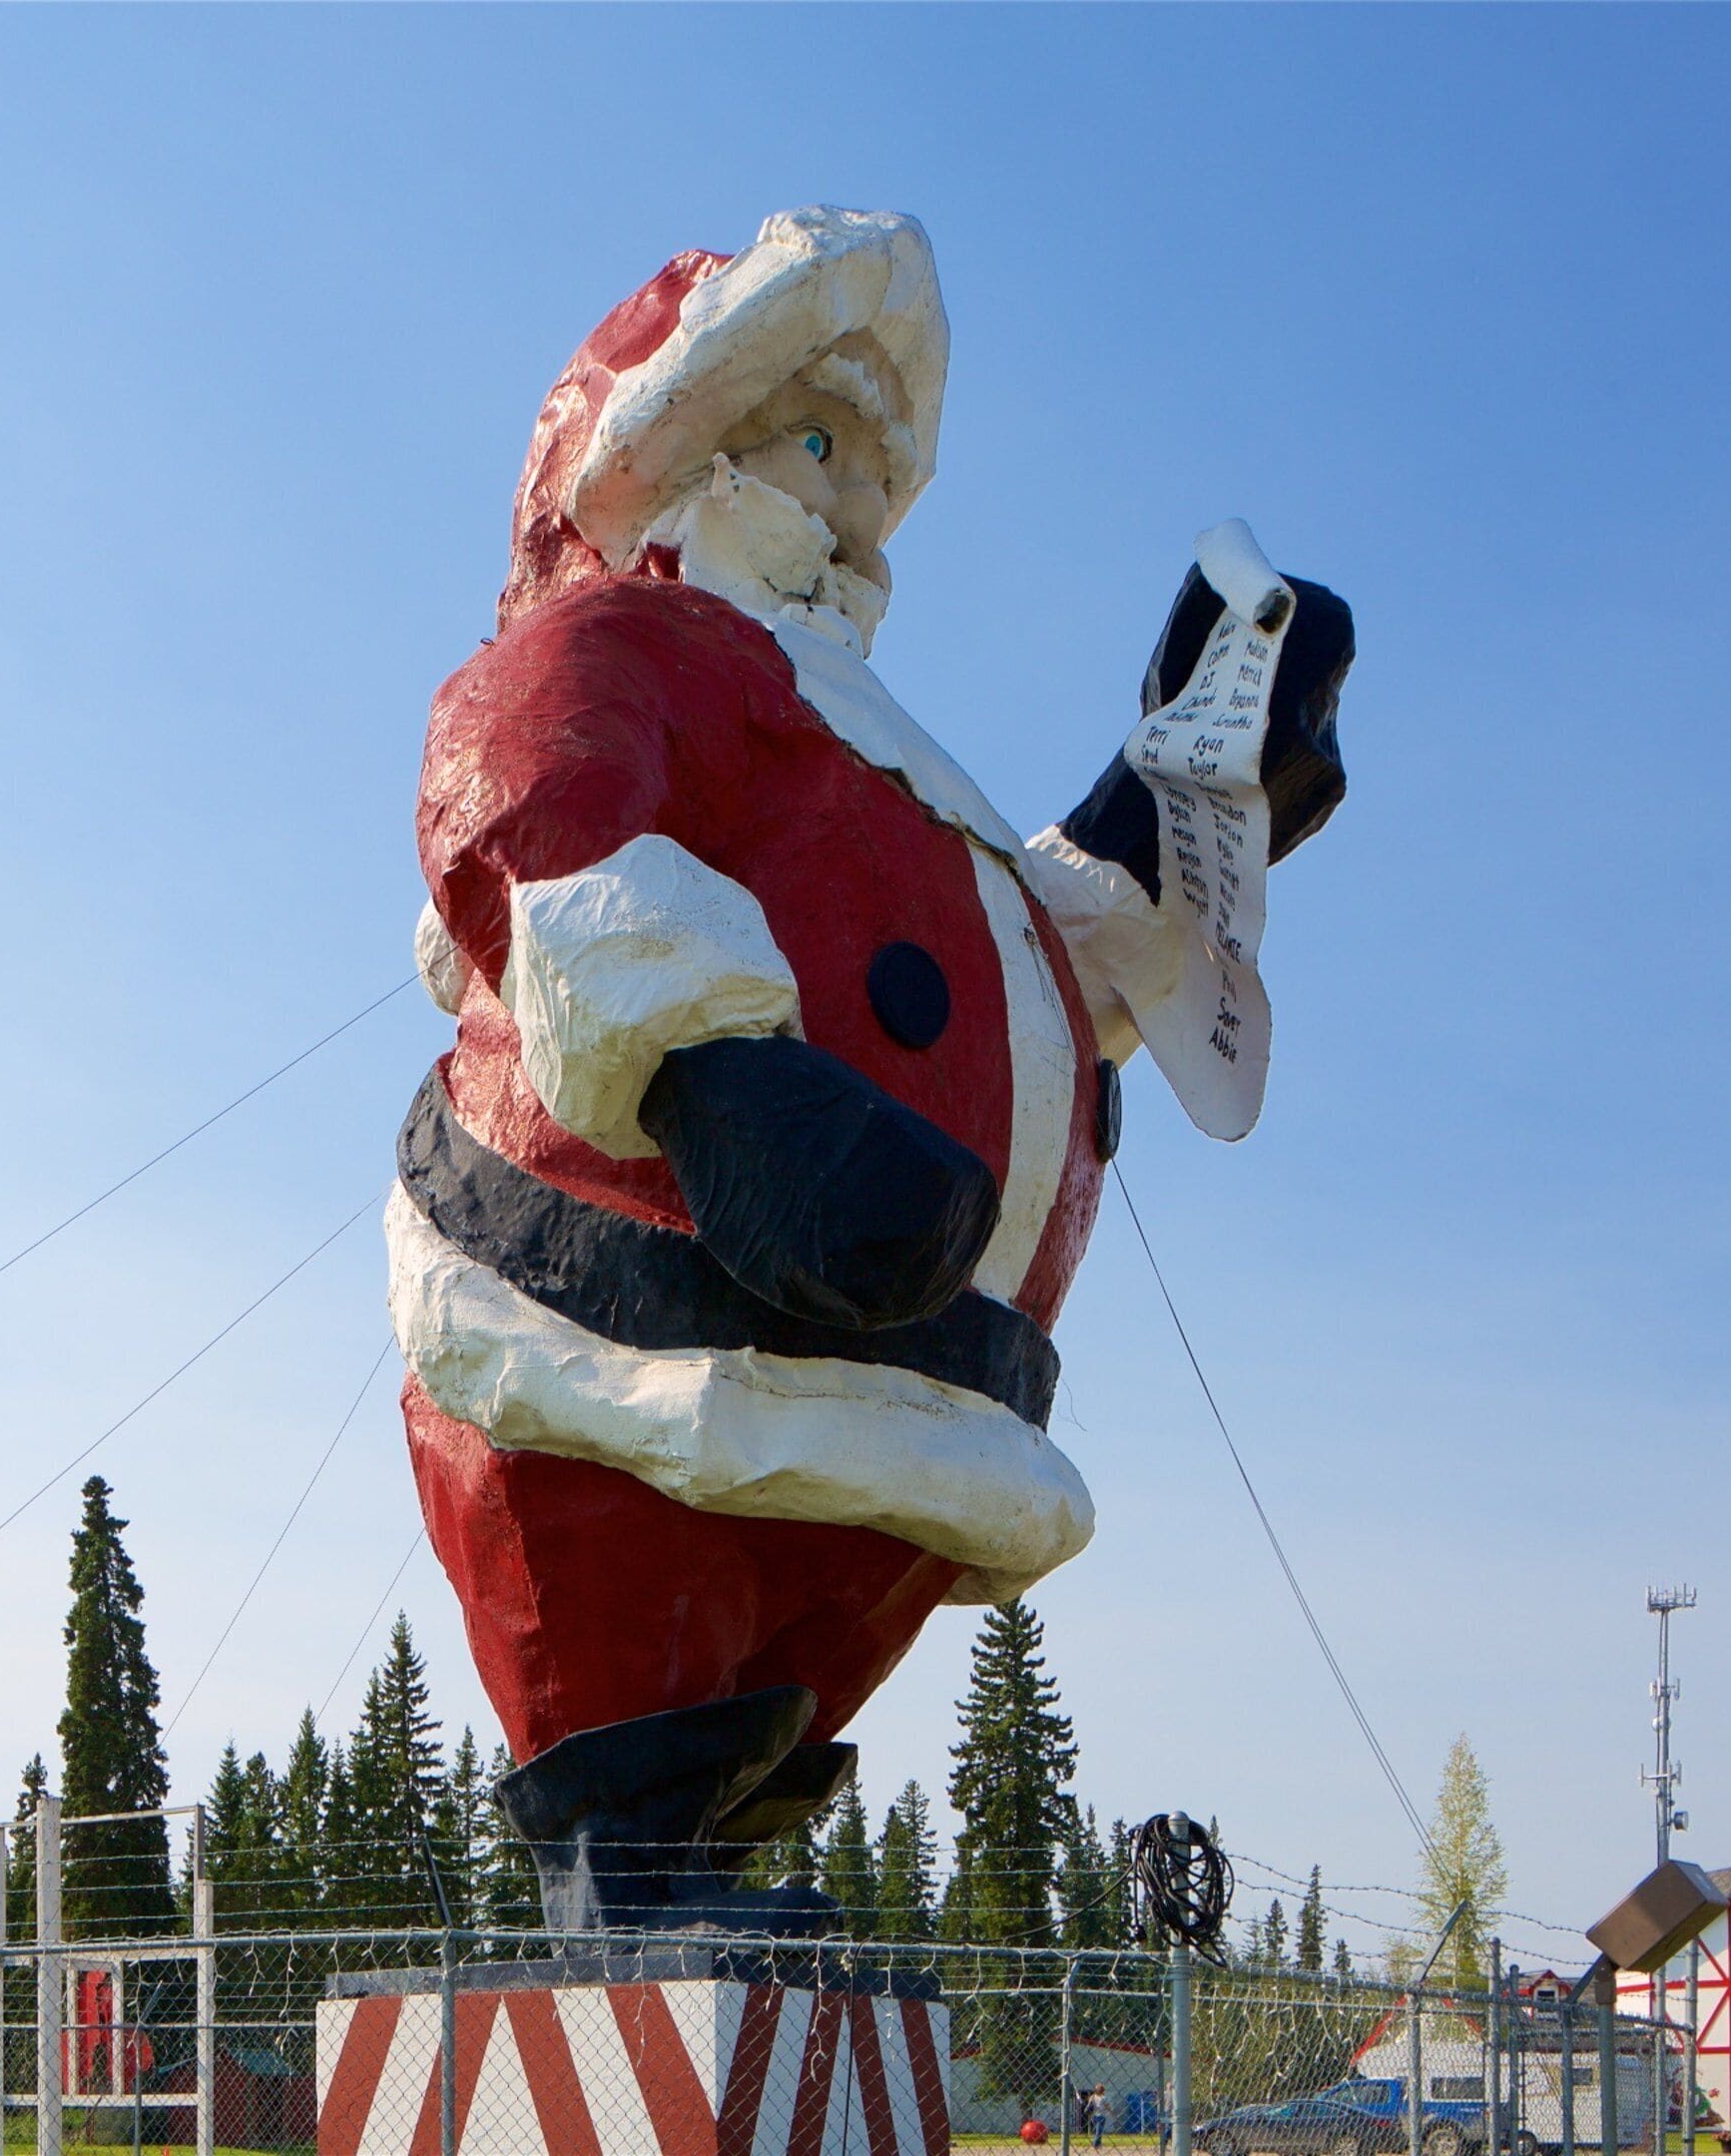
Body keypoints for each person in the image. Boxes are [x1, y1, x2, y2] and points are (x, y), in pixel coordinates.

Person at [393, 204, 1358, 1931]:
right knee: (652, 1578)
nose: (850, 502)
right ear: (685, 450)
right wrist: (716, 1081)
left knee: (808, 1595)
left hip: (925, 1374)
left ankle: (708, 1830)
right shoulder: (641, 646)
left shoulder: (877, 742)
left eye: (876, 468)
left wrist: (1198, 796)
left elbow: (1034, 941)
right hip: (649, 1300)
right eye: (817, 443)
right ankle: (624, 1850)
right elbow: (523, 780)